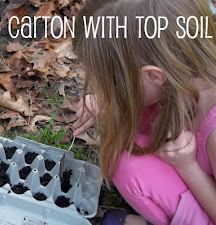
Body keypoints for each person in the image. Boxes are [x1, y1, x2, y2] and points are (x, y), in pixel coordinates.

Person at [72, 0, 216, 224]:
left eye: (111, 83)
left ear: (154, 76)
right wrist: (107, 100)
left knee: (126, 160)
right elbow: (138, 95)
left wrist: (188, 167)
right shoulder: (183, 72)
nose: (106, 89)